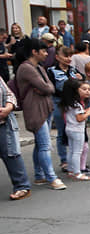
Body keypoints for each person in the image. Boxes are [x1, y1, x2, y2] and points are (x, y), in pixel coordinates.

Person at [16, 39, 66, 190]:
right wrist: (46, 88)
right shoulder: (26, 68)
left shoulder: (39, 67)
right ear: (34, 52)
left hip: (45, 107)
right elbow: (47, 87)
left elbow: (49, 86)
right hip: (35, 110)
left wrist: (46, 88)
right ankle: (52, 178)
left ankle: (39, 175)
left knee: (40, 144)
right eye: (43, 51)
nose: (46, 54)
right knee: (45, 145)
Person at [49, 46, 82, 169]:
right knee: (62, 131)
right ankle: (64, 160)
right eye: (66, 56)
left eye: (70, 56)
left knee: (74, 131)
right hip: (59, 102)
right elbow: (51, 88)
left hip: (73, 103)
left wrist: (80, 79)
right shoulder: (51, 71)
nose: (68, 59)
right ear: (57, 57)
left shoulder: (73, 70)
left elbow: (82, 84)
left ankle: (75, 158)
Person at [0, 77, 31, 199]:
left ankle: (22, 186)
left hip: (4, 122)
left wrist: (8, 108)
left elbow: (10, 95)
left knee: (11, 153)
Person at [61, 78, 90, 181]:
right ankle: (77, 173)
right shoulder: (77, 105)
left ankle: (71, 170)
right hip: (77, 130)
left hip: (69, 129)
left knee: (71, 150)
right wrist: (88, 113)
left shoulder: (69, 104)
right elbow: (79, 118)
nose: (86, 91)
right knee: (77, 152)